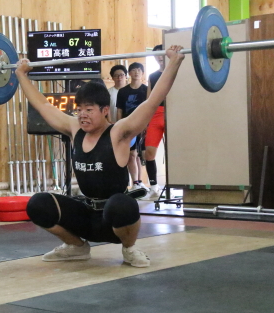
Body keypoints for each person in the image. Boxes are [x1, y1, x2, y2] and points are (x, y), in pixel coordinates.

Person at [16, 45, 185, 268]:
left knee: (123, 203)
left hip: (113, 220)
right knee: (38, 204)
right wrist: (21, 75)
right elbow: (42, 105)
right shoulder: (74, 128)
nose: (82, 115)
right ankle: (76, 247)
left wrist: (174, 62)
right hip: (85, 216)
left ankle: (129, 249)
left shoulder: (119, 133)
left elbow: (153, 100)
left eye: (89, 109)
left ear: (105, 110)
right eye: (79, 109)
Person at [116, 62, 148, 192]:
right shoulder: (123, 91)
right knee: (132, 154)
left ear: (142, 73)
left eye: (139, 70)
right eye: (134, 70)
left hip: (144, 125)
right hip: (128, 126)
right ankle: (135, 182)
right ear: (129, 73)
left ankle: (140, 182)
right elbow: (119, 110)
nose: (136, 72)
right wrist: (120, 126)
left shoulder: (146, 90)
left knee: (142, 155)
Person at [145, 44, 166, 197]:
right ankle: (154, 186)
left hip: (173, 114)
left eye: (162, 53)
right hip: (155, 114)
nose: (159, 57)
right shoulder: (152, 76)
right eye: (156, 54)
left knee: (176, 152)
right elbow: (148, 100)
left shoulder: (176, 72)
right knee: (149, 152)